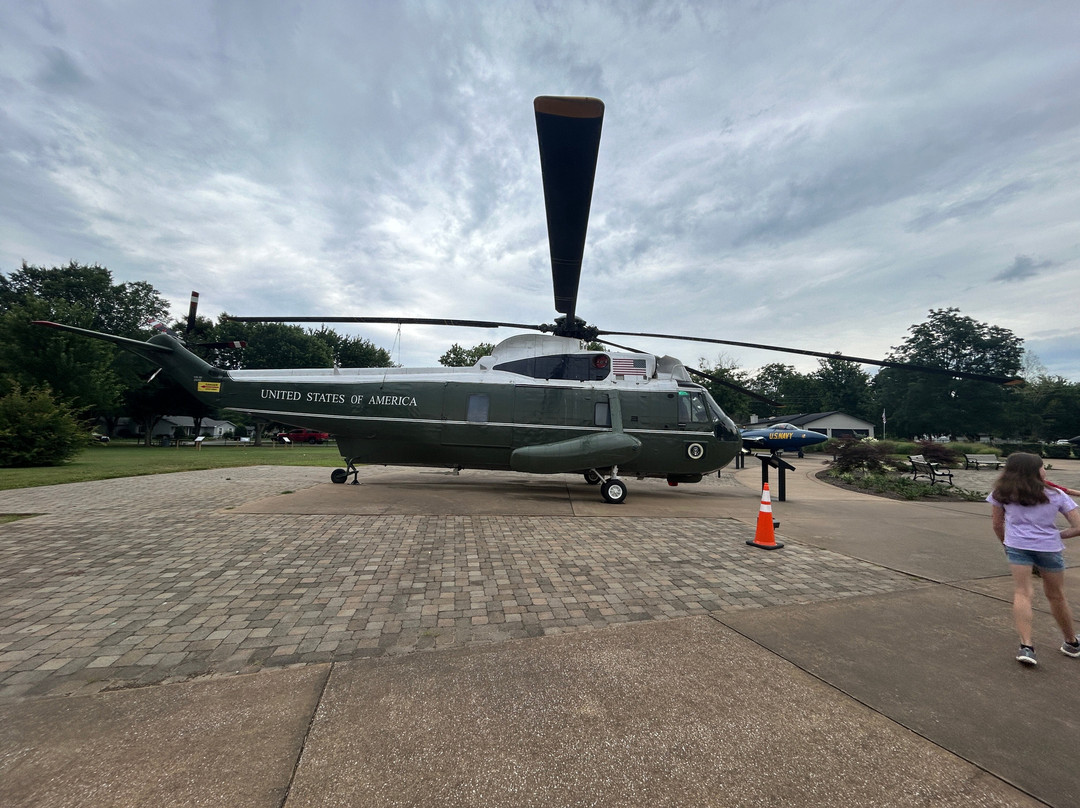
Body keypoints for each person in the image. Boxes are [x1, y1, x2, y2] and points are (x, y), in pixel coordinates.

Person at [987, 452, 1080, 665]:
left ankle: (1026, 647)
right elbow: (1078, 527)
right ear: (1036, 470)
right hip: (1049, 548)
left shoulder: (1001, 492)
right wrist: (1058, 534)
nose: (1044, 469)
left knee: (1023, 592)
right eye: (1042, 466)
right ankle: (1071, 642)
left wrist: (1006, 544)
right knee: (1056, 595)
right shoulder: (1056, 494)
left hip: (1017, 547)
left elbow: (997, 524)